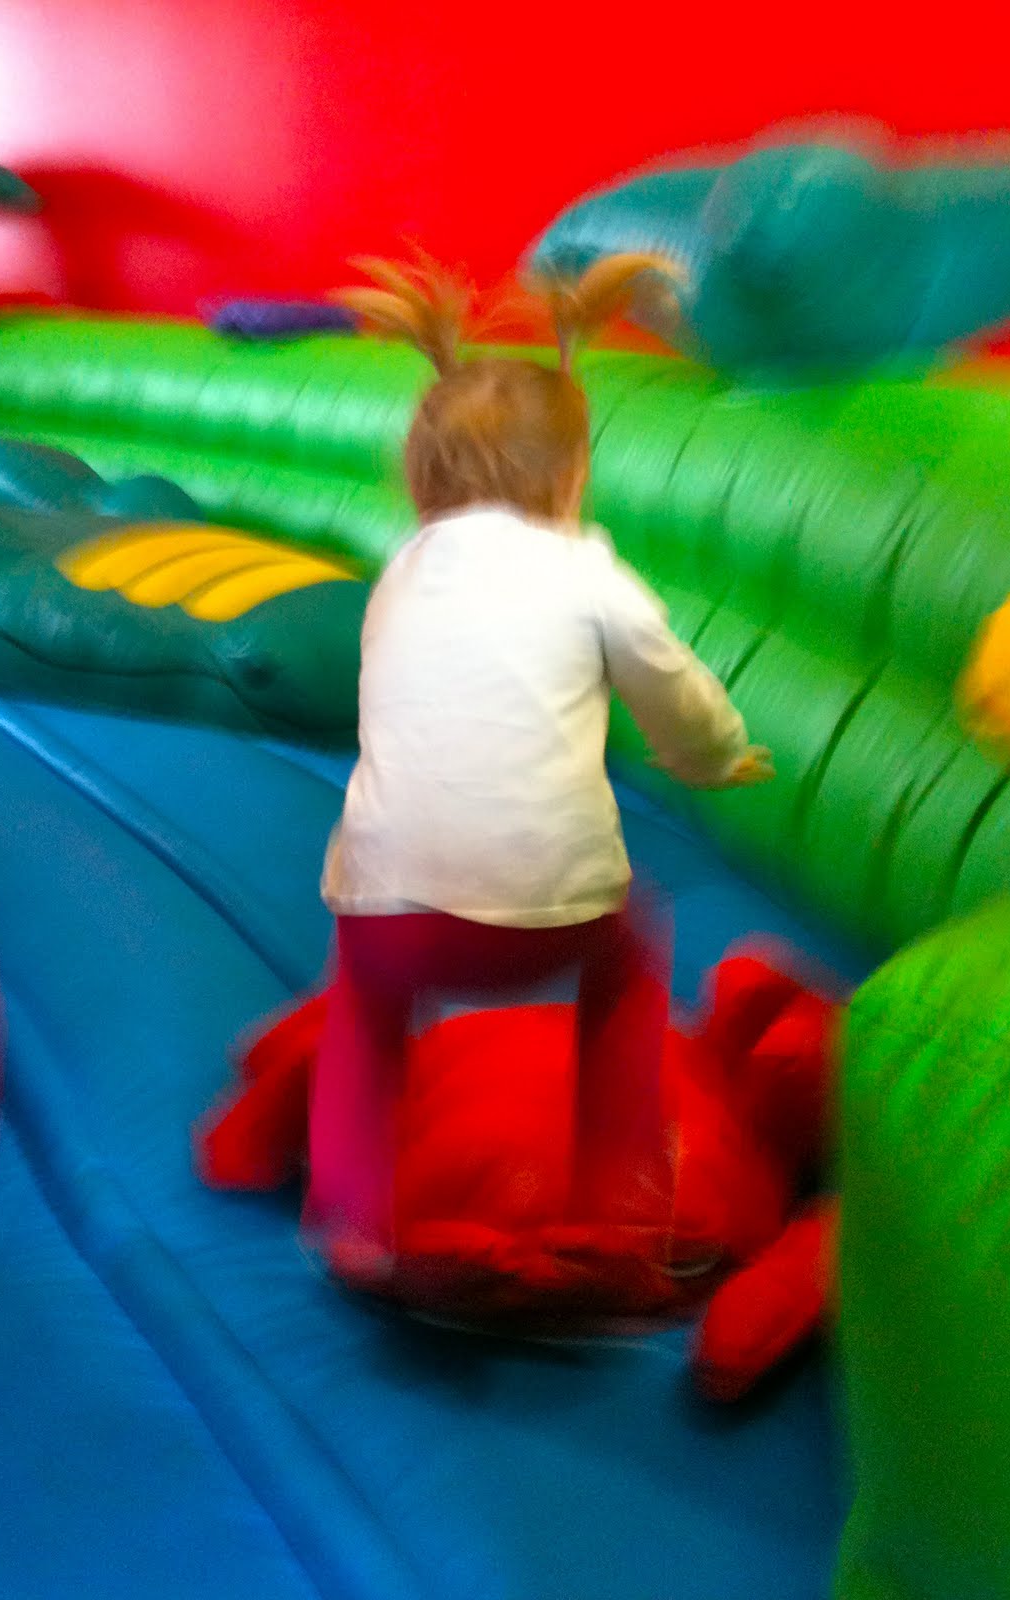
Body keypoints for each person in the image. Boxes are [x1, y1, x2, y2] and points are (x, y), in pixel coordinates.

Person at [307, 253, 773, 1275]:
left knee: (363, 1007)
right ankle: (619, 1209)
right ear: (570, 479)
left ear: (422, 478)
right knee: (632, 957)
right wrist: (713, 758)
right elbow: (674, 684)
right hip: (555, 916)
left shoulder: (399, 573)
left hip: (393, 918)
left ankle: (354, 1217)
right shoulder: (586, 569)